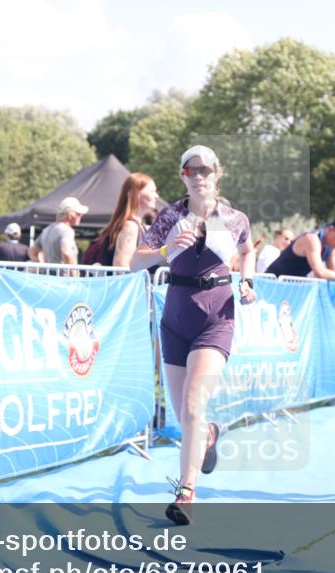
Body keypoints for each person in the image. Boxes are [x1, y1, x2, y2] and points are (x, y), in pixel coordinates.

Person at [131, 145, 257, 525]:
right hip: (175, 317)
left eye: (205, 169)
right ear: (183, 176)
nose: (199, 175)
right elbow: (134, 259)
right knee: (187, 414)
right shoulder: (170, 215)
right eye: (191, 170)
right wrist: (165, 250)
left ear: (217, 173)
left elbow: (248, 249)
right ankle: (209, 434)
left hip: (216, 315)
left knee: (192, 405)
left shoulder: (233, 218)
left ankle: (186, 492)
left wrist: (247, 280)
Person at [266, 217, 335, 283]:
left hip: (288, 286)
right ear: (330, 230)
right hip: (272, 283)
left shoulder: (331, 246)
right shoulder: (312, 239)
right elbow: (319, 273)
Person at [94, 173, 159, 268]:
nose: (156, 196)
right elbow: (121, 265)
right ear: (136, 193)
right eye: (152, 191)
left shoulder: (138, 226)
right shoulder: (130, 227)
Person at [29, 196, 88, 265]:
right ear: (70, 215)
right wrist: (74, 274)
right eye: (79, 214)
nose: (81, 216)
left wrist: (42, 268)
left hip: (47, 274)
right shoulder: (67, 230)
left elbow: (32, 251)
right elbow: (66, 253)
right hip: (62, 275)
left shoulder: (46, 230)